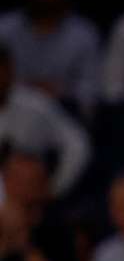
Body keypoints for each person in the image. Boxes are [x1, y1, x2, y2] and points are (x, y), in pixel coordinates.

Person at [0, 0, 101, 118]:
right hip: (9, 114)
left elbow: (89, 95)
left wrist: (59, 92)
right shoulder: (4, 29)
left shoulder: (83, 35)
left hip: (62, 116)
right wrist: (27, 90)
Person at [0, 44, 91, 197]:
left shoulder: (34, 105)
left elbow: (77, 145)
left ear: (11, 70)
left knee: (23, 169)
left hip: (27, 199)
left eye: (3, 70)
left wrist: (54, 188)